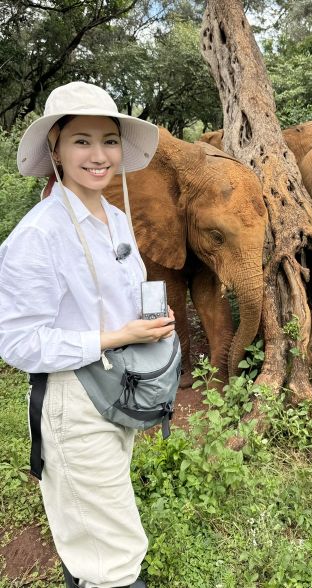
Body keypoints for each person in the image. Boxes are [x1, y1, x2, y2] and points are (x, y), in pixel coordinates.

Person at [0, 82, 176, 588]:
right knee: (115, 558)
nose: (99, 156)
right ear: (54, 147)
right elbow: (16, 342)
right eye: (81, 140)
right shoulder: (38, 235)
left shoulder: (116, 218)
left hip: (118, 390)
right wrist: (112, 336)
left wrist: (145, 327)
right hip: (75, 401)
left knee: (96, 540)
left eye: (109, 140)